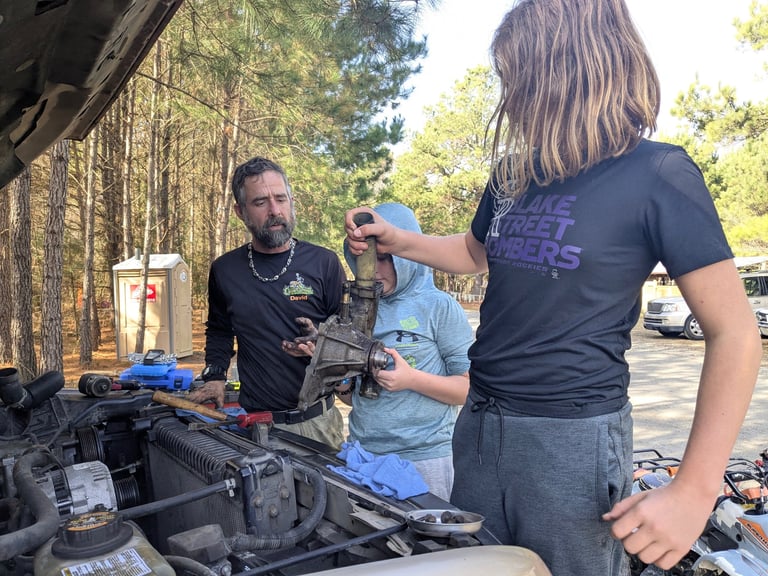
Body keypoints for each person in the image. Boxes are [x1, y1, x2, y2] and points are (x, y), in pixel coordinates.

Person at [343, 1, 762, 574]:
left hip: (572, 439)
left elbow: (735, 334)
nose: (508, 98)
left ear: (567, 69)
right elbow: (472, 252)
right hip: (480, 429)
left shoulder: (658, 174)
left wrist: (693, 489)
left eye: (518, 78)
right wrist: (396, 238)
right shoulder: (514, 176)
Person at [189, 156, 346, 449]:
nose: (275, 211)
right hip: (253, 426)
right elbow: (220, 330)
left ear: (291, 201)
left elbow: (350, 338)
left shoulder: (324, 263)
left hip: (316, 426)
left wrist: (321, 344)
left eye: (280, 199)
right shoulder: (225, 269)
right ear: (240, 211)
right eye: (261, 202)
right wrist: (215, 375)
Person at [336, 202, 473, 501]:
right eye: (364, 259)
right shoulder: (357, 310)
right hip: (365, 456)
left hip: (425, 459)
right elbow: (354, 396)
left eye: (384, 258)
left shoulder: (438, 306)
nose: (372, 270)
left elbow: (470, 389)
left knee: (428, 548)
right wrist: (339, 377)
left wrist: (411, 379)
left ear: (406, 253)